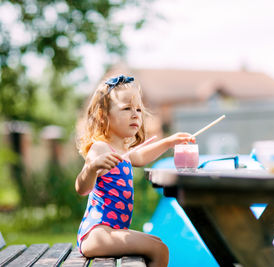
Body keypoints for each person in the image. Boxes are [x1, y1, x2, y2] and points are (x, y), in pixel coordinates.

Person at [75, 74, 195, 267]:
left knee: (158, 243)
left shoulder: (123, 152)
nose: (135, 114)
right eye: (126, 108)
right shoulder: (100, 148)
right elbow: (81, 188)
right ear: (103, 115)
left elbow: (142, 156)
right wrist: (92, 168)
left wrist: (170, 141)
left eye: (139, 109)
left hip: (111, 232)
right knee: (159, 250)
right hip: (97, 233)